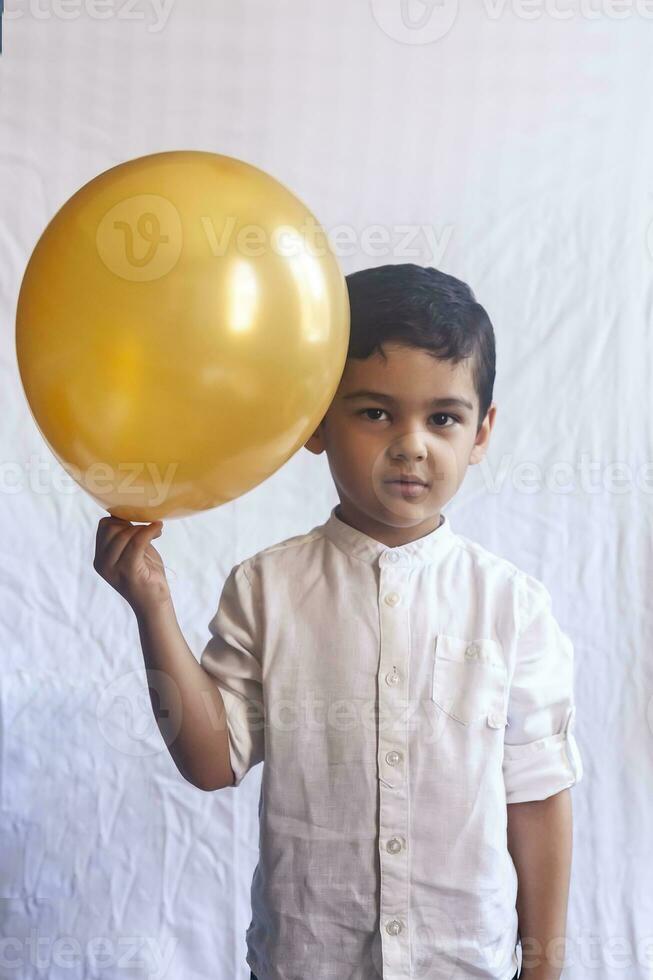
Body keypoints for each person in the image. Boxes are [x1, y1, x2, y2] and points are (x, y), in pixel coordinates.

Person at [93, 264, 583, 980]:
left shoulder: (512, 605)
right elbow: (210, 761)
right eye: (375, 412)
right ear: (316, 419)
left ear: (481, 431)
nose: (411, 443)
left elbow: (536, 796)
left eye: (442, 417)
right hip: (303, 962)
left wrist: (542, 968)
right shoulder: (266, 587)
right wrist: (150, 603)